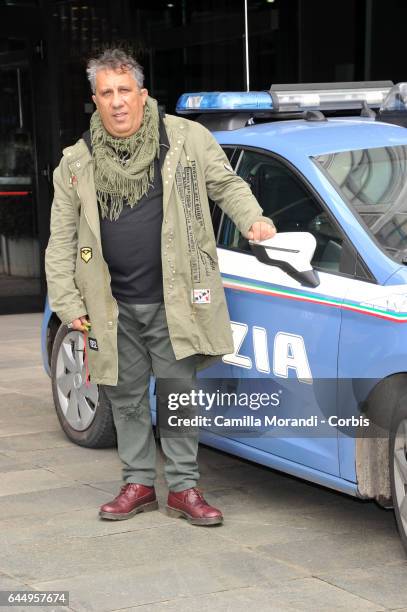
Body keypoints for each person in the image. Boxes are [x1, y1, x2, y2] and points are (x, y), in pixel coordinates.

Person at [45, 48, 276, 526]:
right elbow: (61, 238)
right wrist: (67, 302)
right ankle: (138, 483)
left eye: (124, 90)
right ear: (95, 101)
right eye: (106, 93)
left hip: (176, 299)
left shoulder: (186, 139)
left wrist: (253, 219)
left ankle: (185, 489)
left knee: (178, 395)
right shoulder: (76, 161)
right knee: (125, 395)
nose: (117, 102)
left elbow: (227, 185)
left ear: (142, 94)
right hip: (111, 304)